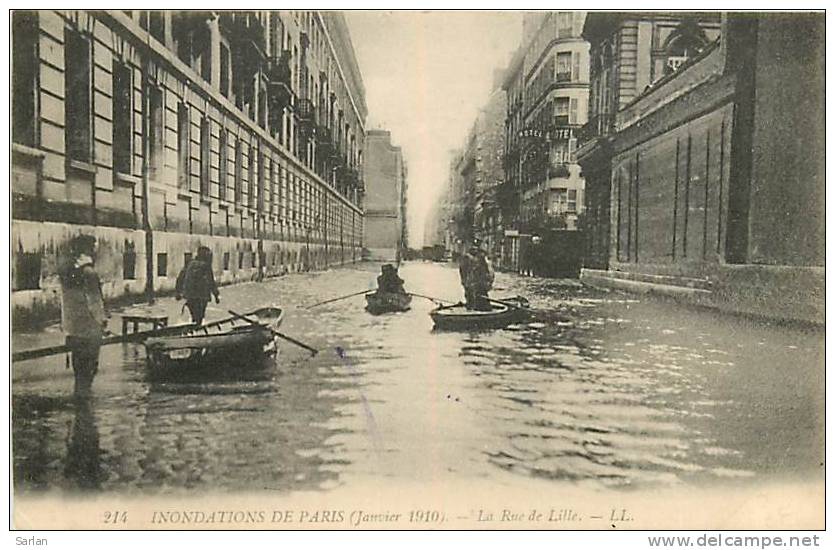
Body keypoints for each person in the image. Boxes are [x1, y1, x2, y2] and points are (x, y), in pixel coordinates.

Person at [59, 234, 107, 397]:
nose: (95, 250)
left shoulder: (68, 272)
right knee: (89, 369)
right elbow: (94, 302)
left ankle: (80, 401)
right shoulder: (89, 273)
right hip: (89, 330)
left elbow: (66, 301)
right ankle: (84, 409)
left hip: (73, 329)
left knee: (79, 370)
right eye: (94, 247)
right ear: (88, 250)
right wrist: (102, 321)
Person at [176, 246, 220, 325]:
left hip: (189, 295)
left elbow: (180, 278)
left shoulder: (190, 263)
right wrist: (216, 295)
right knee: (200, 316)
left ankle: (194, 325)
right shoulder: (206, 266)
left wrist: (178, 292)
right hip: (201, 296)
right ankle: (197, 329)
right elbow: (211, 282)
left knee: (194, 314)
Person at [459, 238, 494, 311]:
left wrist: (488, 281)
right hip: (473, 282)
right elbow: (462, 270)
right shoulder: (473, 257)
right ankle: (474, 310)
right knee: (474, 298)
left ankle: (474, 310)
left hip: (476, 283)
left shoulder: (479, 257)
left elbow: (487, 271)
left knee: (476, 298)